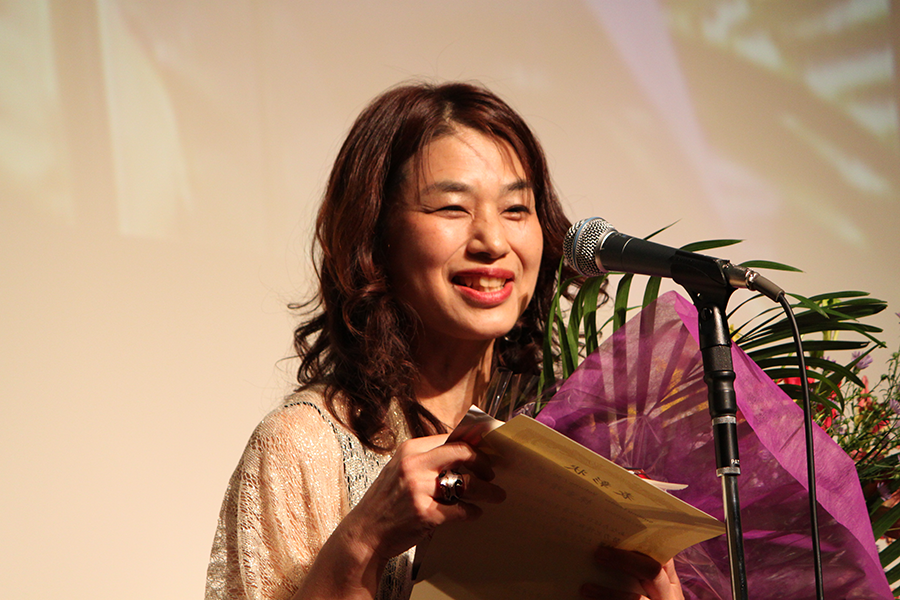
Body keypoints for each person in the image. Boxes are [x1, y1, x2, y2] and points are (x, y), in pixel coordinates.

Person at [205, 81, 684, 600]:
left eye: (516, 210)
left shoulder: (580, 440)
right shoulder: (302, 445)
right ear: (376, 234)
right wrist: (364, 538)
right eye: (452, 208)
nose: (493, 241)